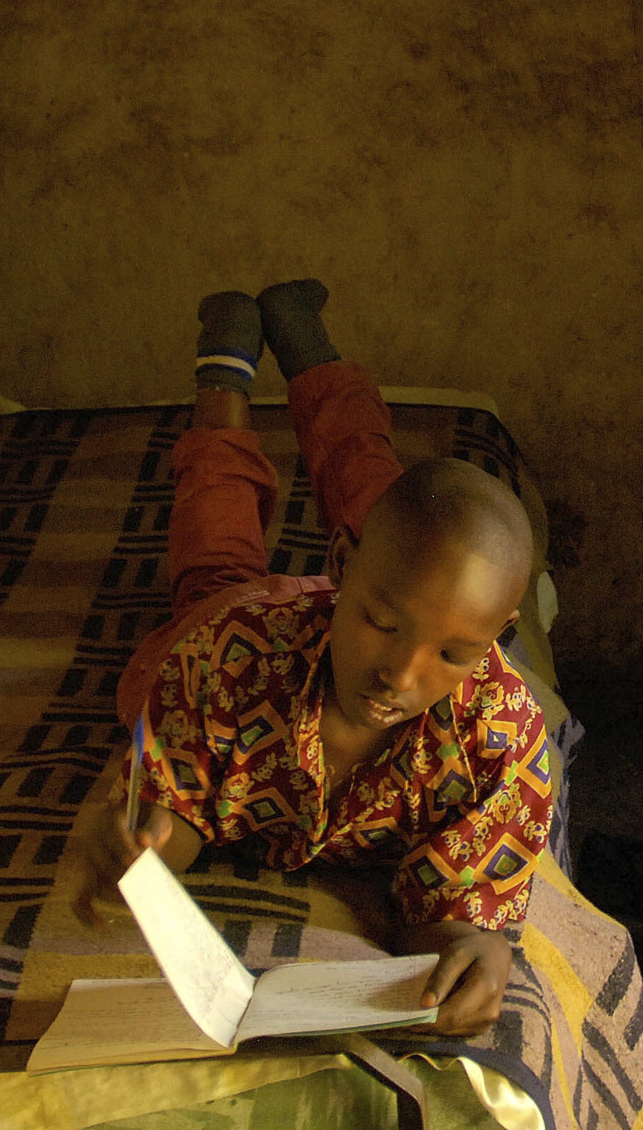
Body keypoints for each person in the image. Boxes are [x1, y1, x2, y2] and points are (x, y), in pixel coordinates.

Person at [66, 281, 553, 1037]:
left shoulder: (501, 739)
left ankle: (305, 348)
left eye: (454, 654)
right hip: (244, 620)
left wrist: (472, 952)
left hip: (342, 598)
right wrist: (154, 846)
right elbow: (182, 812)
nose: (402, 674)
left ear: (497, 637)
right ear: (338, 564)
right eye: (382, 625)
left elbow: (454, 911)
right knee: (214, 560)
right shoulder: (224, 662)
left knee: (386, 504)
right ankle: (223, 377)